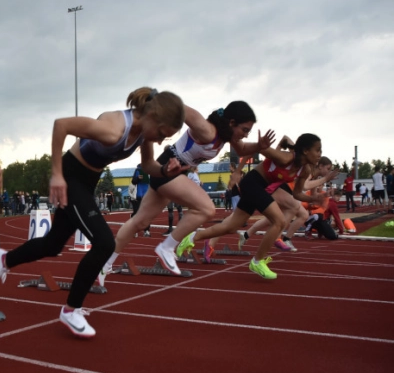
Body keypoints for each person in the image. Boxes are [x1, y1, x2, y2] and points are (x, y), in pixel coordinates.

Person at [0, 87, 186, 338]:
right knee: (104, 243)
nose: (159, 141)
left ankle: (5, 260)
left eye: (164, 138)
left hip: (87, 182)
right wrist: (57, 175)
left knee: (53, 244)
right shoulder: (113, 128)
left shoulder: (144, 134)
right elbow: (61, 125)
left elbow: (148, 166)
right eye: (161, 134)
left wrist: (167, 171)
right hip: (71, 176)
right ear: (153, 116)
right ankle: (71, 310)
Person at [102, 101, 273, 277]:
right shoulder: (207, 130)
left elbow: (244, 149)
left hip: (175, 171)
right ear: (231, 123)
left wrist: (260, 146)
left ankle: (104, 265)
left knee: (140, 222)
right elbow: (178, 107)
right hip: (168, 167)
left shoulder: (227, 138)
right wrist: (152, 106)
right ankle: (166, 247)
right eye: (244, 130)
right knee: (206, 208)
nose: (245, 136)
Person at [177, 133, 325, 279]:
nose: (320, 154)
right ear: (305, 151)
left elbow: (297, 194)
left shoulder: (304, 170)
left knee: (232, 226)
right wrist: (237, 172)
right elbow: (254, 149)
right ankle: (257, 261)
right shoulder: (285, 158)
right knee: (279, 221)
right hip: (252, 182)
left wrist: (313, 198)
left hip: (260, 188)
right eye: (317, 150)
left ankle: (191, 238)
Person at [130, 164, 151, 237]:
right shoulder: (138, 170)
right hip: (137, 196)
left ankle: (147, 230)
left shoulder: (150, 171)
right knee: (136, 213)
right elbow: (133, 181)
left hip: (147, 195)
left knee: (147, 214)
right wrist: (138, 178)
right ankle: (134, 231)